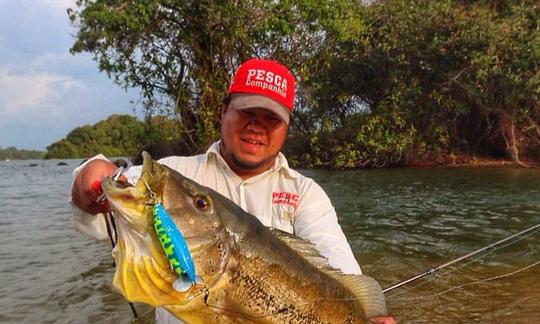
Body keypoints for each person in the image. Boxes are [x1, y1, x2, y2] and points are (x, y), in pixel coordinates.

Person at [71, 58, 395, 324]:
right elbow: (110, 186)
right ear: (224, 110)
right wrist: (90, 174)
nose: (256, 126)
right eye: (246, 112)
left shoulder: (306, 194)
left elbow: (343, 276)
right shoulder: (177, 175)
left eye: (271, 118)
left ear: (286, 127)